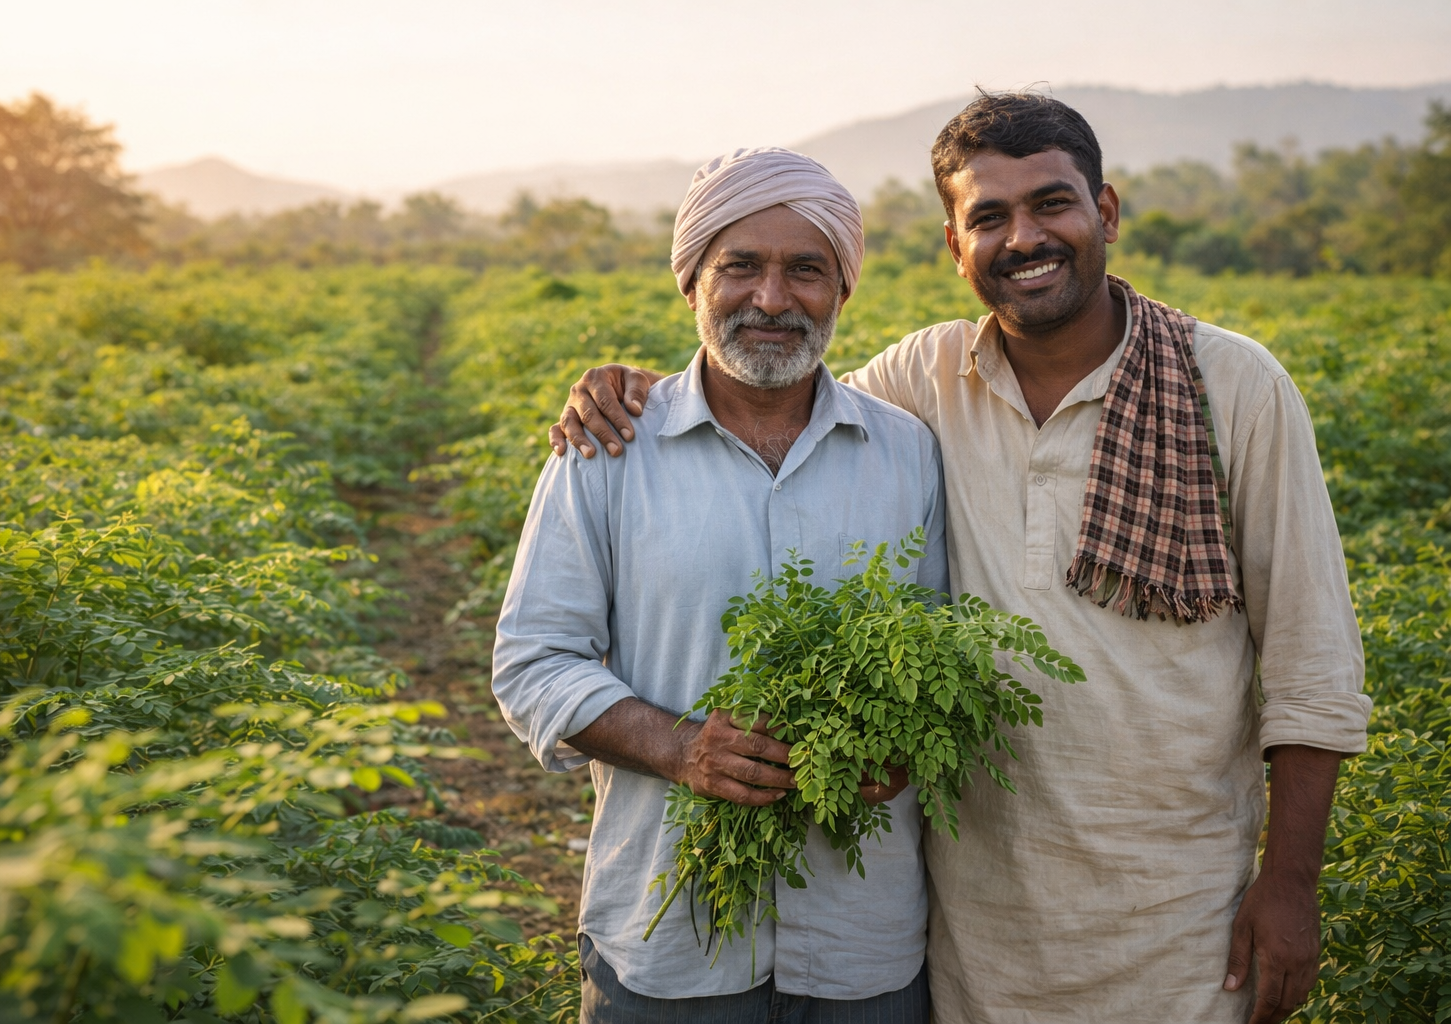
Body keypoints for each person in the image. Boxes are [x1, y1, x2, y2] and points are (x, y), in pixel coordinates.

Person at [547, 93, 1370, 1024]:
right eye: (989, 217)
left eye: (1051, 204)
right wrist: (636, 392)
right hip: (975, 935)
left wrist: (1291, 885)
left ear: (1104, 211)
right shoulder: (925, 381)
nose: (1024, 238)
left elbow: (1313, 664)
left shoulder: (1236, 388)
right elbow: (767, 385)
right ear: (954, 245)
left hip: (1181, 915)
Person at [494, 146, 944, 1023]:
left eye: (805, 270)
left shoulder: (907, 451)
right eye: (740, 266)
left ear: (843, 290)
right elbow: (534, 661)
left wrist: (903, 742)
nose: (772, 300)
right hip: (667, 944)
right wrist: (681, 748)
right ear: (691, 282)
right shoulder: (608, 449)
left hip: (864, 948)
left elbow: (936, 643)